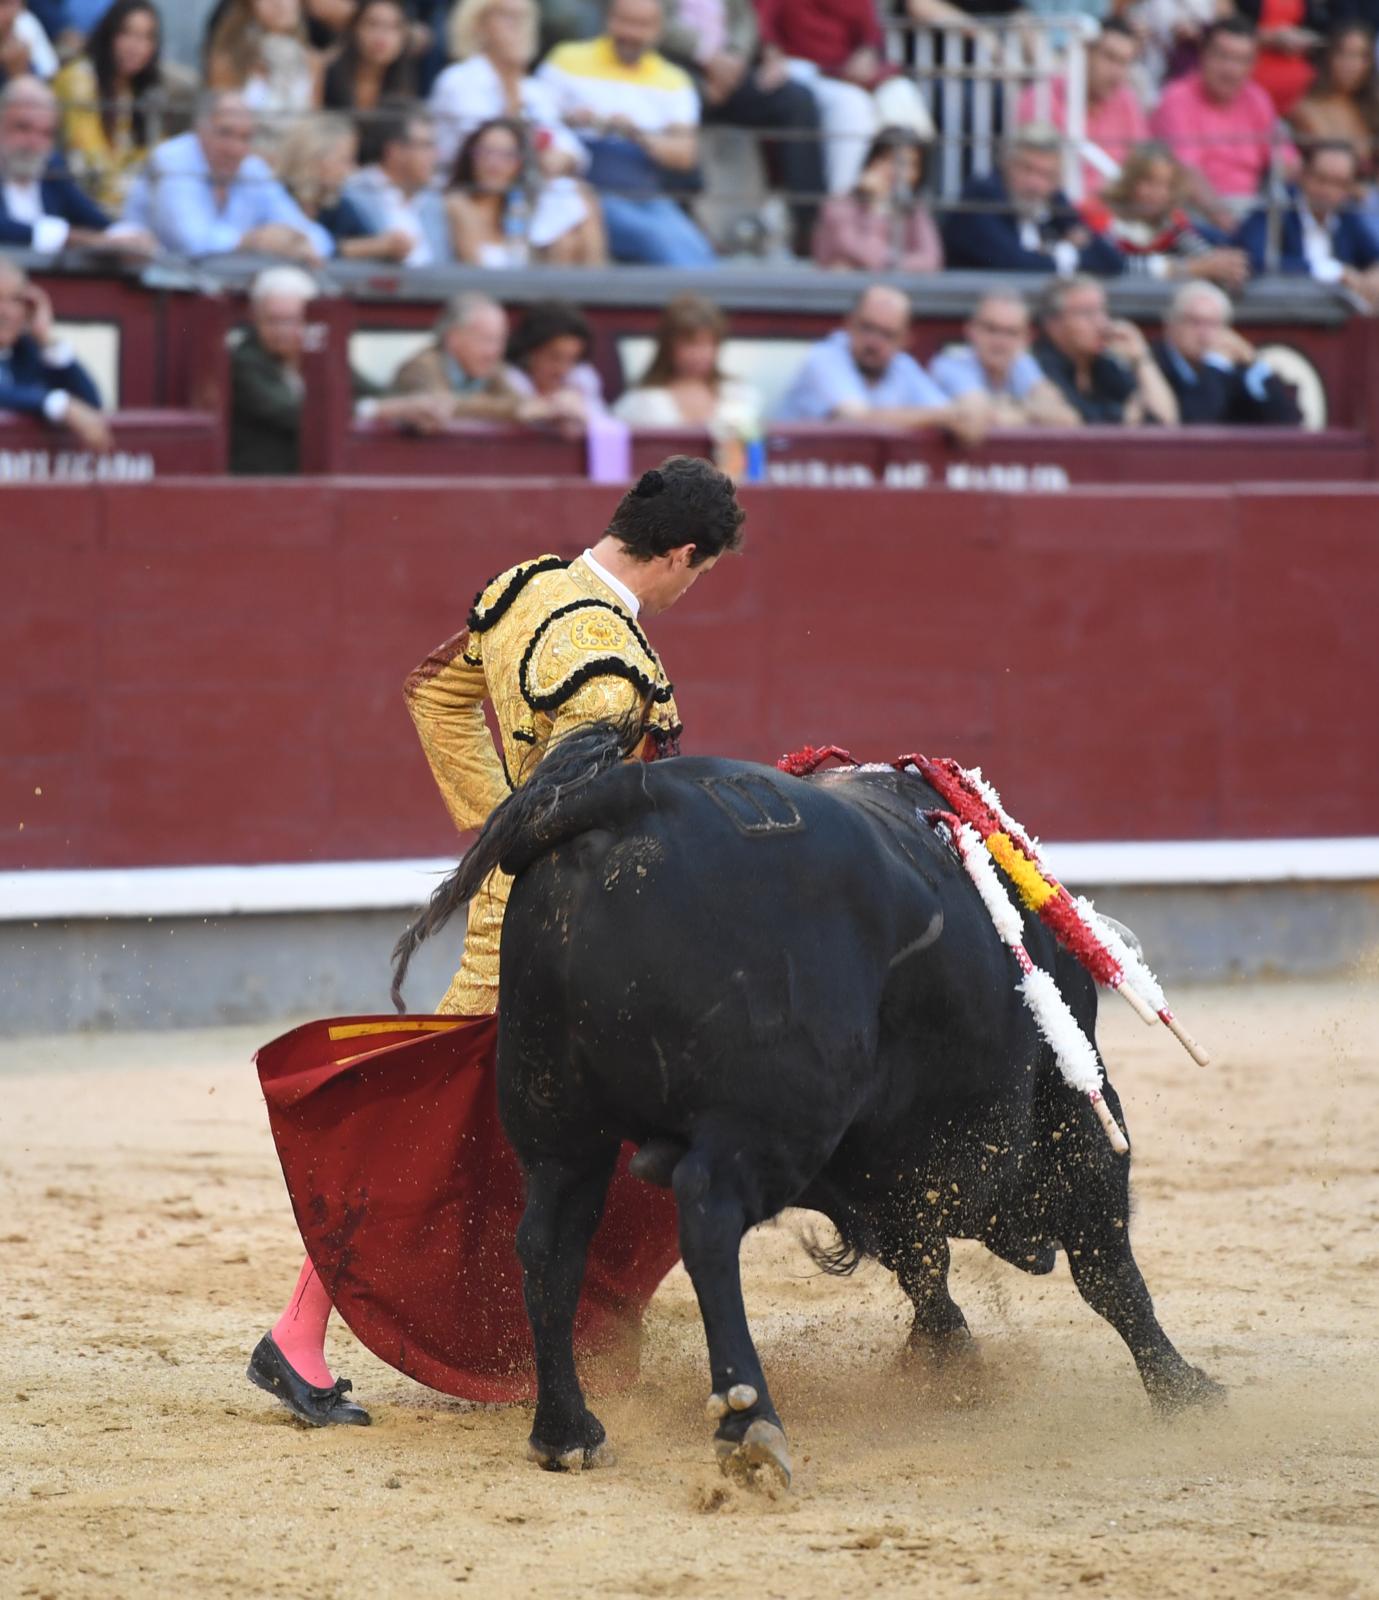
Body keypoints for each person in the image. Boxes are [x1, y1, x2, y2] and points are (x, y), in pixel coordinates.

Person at [248, 454, 746, 1425]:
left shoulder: (527, 587)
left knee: (503, 1126)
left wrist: (496, 829)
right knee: (448, 1131)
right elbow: (587, 800)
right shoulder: (605, 661)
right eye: (702, 570)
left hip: (529, 910)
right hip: (567, 935)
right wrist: (523, 837)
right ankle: (299, 1332)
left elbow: (432, 691)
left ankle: (582, 1335)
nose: (693, 588)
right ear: (681, 552)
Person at [536, 0, 717, 267]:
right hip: (588, 194)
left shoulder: (673, 80)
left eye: (642, 25)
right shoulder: (566, 60)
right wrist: (572, 121)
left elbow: (685, 154)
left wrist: (636, 134)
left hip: (648, 196)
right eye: (625, 21)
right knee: (660, 239)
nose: (632, 33)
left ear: (658, 30)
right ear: (608, 19)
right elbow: (536, 120)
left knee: (697, 246)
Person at [229, 263, 451, 473]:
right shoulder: (244, 361)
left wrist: (420, 404)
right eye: (272, 321)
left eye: (291, 320)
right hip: (265, 482)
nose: (282, 331)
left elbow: (376, 392)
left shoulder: (319, 353)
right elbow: (296, 414)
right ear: (255, 319)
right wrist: (381, 409)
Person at [660, 0, 825, 257]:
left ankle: (808, 225)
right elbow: (654, 21)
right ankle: (688, 228)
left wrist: (734, 58)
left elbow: (744, 19)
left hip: (731, 69)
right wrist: (708, 56)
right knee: (678, 106)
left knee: (797, 101)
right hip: (676, 70)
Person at [122, 88, 333, 259]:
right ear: (199, 129)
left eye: (245, 138)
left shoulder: (253, 168)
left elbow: (319, 238)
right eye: (225, 133)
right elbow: (191, 241)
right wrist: (254, 241)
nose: (236, 149)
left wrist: (298, 243)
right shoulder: (171, 160)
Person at [753, 0, 933, 195]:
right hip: (800, 70)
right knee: (852, 106)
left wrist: (867, 55)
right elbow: (761, 24)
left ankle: (907, 208)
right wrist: (770, 53)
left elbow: (870, 37)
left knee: (902, 93)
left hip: (848, 72)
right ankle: (839, 209)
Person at [773, 283, 988, 444]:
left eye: (887, 334)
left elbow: (960, 420)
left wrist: (957, 415)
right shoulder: (824, 357)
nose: (874, 342)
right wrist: (941, 417)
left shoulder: (902, 366)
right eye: (867, 328)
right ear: (848, 324)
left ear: (905, 340)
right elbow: (857, 422)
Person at [1150, 18, 1294, 227]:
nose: (1231, 69)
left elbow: (1287, 162)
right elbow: (1186, 174)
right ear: (1203, 55)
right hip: (1193, 214)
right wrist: (1231, 225)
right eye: (1223, 56)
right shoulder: (1176, 99)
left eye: (1241, 60)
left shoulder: (1256, 98)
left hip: (1253, 208)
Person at [0, 74, 155, 253]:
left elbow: (95, 220)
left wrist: (128, 237)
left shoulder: (51, 166)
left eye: (46, 134)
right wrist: (73, 238)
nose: (34, 143)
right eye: (23, 128)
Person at [428, 0, 586, 175]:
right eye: (507, 15)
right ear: (478, 24)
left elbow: (573, 150)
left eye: (524, 17)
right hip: (464, 191)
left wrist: (563, 158)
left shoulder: (534, 89)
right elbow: (488, 148)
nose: (519, 25)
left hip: (524, 194)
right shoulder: (457, 80)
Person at [942, 128, 1125, 275]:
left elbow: (1111, 261)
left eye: (1046, 175)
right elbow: (1014, 264)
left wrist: (1048, 256)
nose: (1035, 183)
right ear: (1006, 165)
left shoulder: (1053, 199)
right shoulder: (981, 195)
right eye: (1026, 169)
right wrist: (1065, 253)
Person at [1080, 141, 1250, 288]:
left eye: (1165, 185)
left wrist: (1225, 267)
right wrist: (1192, 269)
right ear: (1129, 182)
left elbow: (1200, 254)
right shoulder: (1100, 213)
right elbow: (1115, 266)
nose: (1156, 193)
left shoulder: (1170, 221)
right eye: (1148, 182)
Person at [1235, 139, 1379, 309]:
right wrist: (1334, 271)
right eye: (1321, 179)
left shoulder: (1347, 216)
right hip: (1281, 313)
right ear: (1303, 174)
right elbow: (1256, 260)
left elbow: (1373, 255)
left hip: (1335, 320)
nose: (1328, 190)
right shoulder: (1275, 209)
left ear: (1350, 188)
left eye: (1339, 183)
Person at [1016, 18, 1150, 199]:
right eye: (1110, 58)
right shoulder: (1041, 99)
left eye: (1125, 63)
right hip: (1063, 215)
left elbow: (1141, 163)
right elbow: (1038, 176)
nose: (1118, 73)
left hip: (1121, 211)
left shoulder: (1125, 98)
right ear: (1085, 53)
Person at [445, 114, 605, 265]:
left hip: (527, 289)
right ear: (470, 157)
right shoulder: (458, 203)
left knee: (573, 224)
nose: (494, 163)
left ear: (519, 164)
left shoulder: (519, 208)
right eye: (485, 152)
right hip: (480, 292)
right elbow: (474, 272)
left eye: (506, 155)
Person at [51, 0, 164, 212]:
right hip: (78, 207)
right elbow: (89, 163)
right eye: (127, 33)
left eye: (146, 37)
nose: (135, 46)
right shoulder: (78, 78)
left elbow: (153, 159)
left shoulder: (140, 90)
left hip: (125, 209)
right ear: (108, 35)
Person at [1031, 274, 1179, 425]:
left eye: (1103, 311)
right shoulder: (1036, 368)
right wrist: (1124, 417)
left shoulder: (1105, 365)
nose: (1102, 324)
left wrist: (1141, 359)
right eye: (1087, 313)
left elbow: (1165, 420)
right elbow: (1075, 423)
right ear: (1053, 324)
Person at [0, 255, 111, 452]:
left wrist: (46, 339)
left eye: (14, 300)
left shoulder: (26, 350)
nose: (4, 312)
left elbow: (91, 405)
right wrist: (57, 403)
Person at [1151, 278, 1302, 422]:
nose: (1204, 334)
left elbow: (1289, 421)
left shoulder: (1233, 366)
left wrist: (1254, 363)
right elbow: (1196, 425)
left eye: (1213, 324)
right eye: (1195, 322)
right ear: (1171, 325)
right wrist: (1215, 365)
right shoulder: (1154, 364)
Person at [391, 291, 556, 421]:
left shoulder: (493, 368)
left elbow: (524, 403)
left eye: (500, 341)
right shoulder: (421, 366)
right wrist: (511, 410)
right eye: (487, 340)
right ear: (453, 339)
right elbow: (441, 406)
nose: (495, 351)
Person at [274, 110, 416, 259]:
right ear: (315, 158)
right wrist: (371, 247)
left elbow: (370, 240)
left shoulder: (339, 205)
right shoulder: (275, 196)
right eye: (345, 160)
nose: (352, 170)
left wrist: (391, 248)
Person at [928, 289, 1081, 426]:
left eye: (1011, 332)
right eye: (991, 329)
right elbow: (979, 419)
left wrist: (1009, 409)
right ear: (970, 330)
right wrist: (1031, 412)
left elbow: (1067, 418)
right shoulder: (950, 364)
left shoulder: (1021, 362)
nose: (1000, 341)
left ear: (1026, 338)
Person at [613, 291, 761, 431]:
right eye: (691, 344)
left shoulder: (739, 394)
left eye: (709, 343)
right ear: (668, 345)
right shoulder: (642, 400)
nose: (700, 354)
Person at [811, 125, 943, 272]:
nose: (899, 172)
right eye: (891, 160)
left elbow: (931, 260)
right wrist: (876, 207)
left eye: (910, 165)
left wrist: (891, 262)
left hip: (896, 290)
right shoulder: (839, 205)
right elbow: (855, 251)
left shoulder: (913, 210)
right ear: (873, 161)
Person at [341, 102, 451, 265]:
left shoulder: (434, 202)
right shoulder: (353, 194)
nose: (435, 156)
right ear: (395, 151)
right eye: (426, 145)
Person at [204, 0, 321, 142]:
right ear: (249, 5)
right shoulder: (230, 59)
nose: (280, 4)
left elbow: (313, 128)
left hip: (295, 157)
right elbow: (220, 126)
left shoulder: (312, 61)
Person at [1288, 20, 1379, 180]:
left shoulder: (1373, 108)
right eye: (1344, 54)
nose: (1351, 64)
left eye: (1361, 56)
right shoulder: (1306, 108)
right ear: (1329, 57)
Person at [502, 298, 607, 433]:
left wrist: (583, 414)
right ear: (529, 352)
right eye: (554, 357)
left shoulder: (581, 381)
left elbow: (607, 428)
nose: (562, 369)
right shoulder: (504, 381)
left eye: (572, 359)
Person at [321, 0, 417, 113]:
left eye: (393, 27)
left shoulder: (405, 83)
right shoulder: (325, 72)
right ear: (355, 28)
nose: (382, 35)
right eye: (373, 24)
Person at [1235, 0, 1324, 116]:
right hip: (1252, 86)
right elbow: (1231, 29)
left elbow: (1322, 27)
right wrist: (1272, 37)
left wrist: (1306, 38)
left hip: (1297, 98)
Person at [0, 0, 59, 83]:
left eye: (14, 3)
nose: (10, 12)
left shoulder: (25, 22)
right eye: (3, 4)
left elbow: (49, 74)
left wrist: (19, 71)